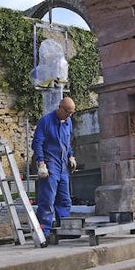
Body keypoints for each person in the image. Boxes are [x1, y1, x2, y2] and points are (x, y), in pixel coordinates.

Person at [31, 96, 76, 236]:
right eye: (67, 112)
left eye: (71, 113)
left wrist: (71, 155)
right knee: (48, 199)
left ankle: (65, 229)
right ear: (60, 107)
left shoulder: (68, 122)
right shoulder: (46, 121)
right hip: (50, 163)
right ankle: (44, 232)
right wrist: (41, 163)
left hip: (62, 164)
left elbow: (67, 142)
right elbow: (37, 143)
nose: (69, 115)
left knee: (64, 199)